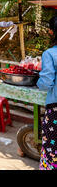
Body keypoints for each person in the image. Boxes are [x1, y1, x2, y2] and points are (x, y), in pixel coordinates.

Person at [37, 16, 57, 170]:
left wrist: (37, 81)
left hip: (55, 108)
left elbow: (46, 83)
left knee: (52, 150)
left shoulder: (50, 54)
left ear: (51, 32)